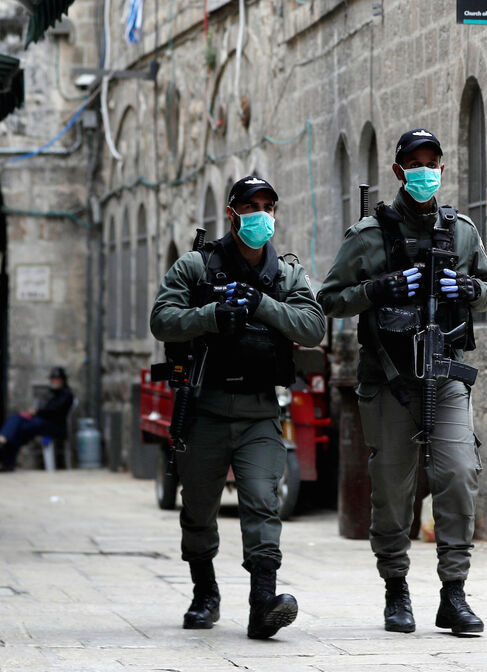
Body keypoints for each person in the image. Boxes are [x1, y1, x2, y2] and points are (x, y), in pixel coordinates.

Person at [318, 128, 487, 635]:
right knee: (393, 488)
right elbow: (329, 300)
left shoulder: (460, 230)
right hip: (391, 379)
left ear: (442, 168)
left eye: (432, 163)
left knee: (459, 474)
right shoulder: (368, 235)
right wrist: (380, 288)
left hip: (445, 376)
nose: (425, 171)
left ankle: (454, 593)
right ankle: (396, 588)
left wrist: (467, 287)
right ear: (398, 171)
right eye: (415, 163)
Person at [151, 176, 325, 639]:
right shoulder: (195, 266)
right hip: (204, 409)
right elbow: (162, 320)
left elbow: (312, 327)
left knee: (263, 504)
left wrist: (262, 304)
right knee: (199, 508)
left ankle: (261, 605)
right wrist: (210, 316)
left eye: (269, 206)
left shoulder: (285, 275)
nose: (261, 215)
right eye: (251, 206)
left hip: (259, 412)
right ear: (232, 213)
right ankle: (204, 593)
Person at [0, 367, 73, 472]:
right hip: (42, 422)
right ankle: (5, 447)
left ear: (62, 380)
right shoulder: (53, 393)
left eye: (56, 378)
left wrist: (37, 412)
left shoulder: (66, 394)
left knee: (18, 429)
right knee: (16, 419)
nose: (54, 381)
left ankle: (4, 442)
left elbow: (54, 411)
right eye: (53, 378)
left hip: (53, 426)